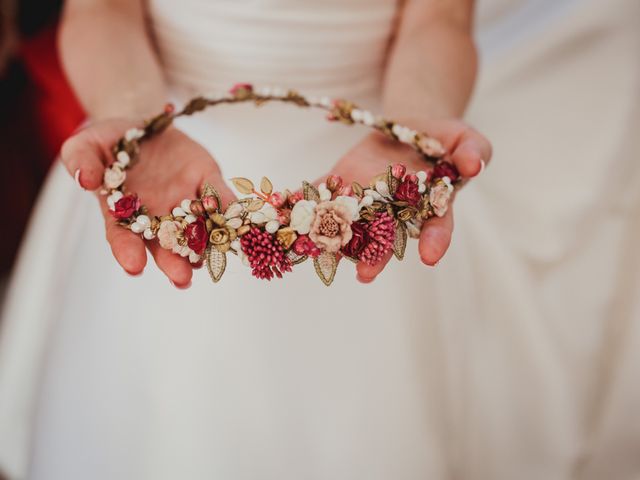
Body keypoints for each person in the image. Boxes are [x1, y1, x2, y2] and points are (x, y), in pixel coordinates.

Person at [1, 0, 639, 479]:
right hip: (159, 150)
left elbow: (437, 24)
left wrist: (414, 123)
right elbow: (100, 11)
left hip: (369, 164)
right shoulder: (147, 145)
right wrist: (135, 119)